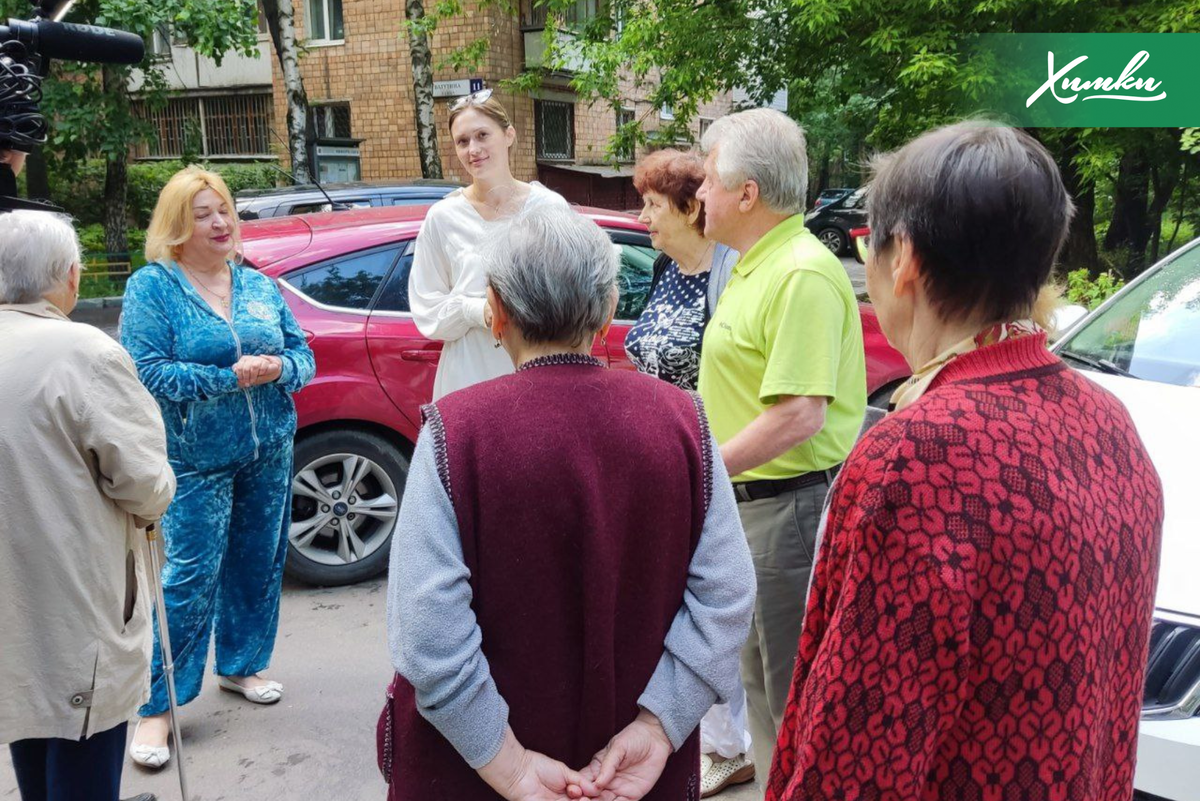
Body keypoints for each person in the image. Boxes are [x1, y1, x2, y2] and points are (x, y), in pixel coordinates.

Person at [767, 123, 1165, 801]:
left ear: (906, 261)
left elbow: (859, 748)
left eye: (870, 244)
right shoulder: (1110, 422)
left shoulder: (918, 455)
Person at [380, 204, 756, 801]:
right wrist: (659, 726)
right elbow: (728, 594)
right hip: (637, 776)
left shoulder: (455, 431)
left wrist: (509, 766)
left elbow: (428, 637)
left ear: (496, 313)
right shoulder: (684, 419)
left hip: (475, 779)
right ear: (608, 311)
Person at [120, 166, 316, 768]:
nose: (220, 222)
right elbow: (146, 372)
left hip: (270, 448)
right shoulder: (153, 287)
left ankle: (241, 665)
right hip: (196, 458)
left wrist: (279, 370)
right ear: (177, 226)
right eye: (204, 213)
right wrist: (228, 378)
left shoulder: (255, 283)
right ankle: (157, 708)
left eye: (225, 209)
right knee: (188, 578)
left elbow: (302, 354)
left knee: (260, 562)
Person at [694, 108, 867, 781]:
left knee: (792, 697)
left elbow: (800, 414)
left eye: (709, 179)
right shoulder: (754, 264)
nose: (698, 193)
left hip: (785, 510)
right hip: (750, 505)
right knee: (762, 689)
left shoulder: (800, 272)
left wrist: (699, 467)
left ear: (747, 193)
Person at [0, 211, 176, 801]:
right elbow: (146, 485)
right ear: (71, 276)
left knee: (28, 721)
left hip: (12, 605)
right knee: (81, 748)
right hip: (75, 602)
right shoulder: (83, 352)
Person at [625, 148, 752, 797]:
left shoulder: (726, 276)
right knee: (672, 602)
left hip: (708, 463)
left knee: (708, 605)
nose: (642, 215)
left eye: (652, 203)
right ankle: (714, 735)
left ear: (688, 206)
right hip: (660, 462)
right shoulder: (663, 269)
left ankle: (730, 744)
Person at [409, 90, 570, 400]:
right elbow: (426, 308)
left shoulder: (549, 208)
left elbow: (572, 293)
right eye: (463, 141)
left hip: (538, 373)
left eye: (483, 135)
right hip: (468, 376)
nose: (474, 149)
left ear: (508, 135)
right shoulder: (443, 217)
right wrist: (477, 310)